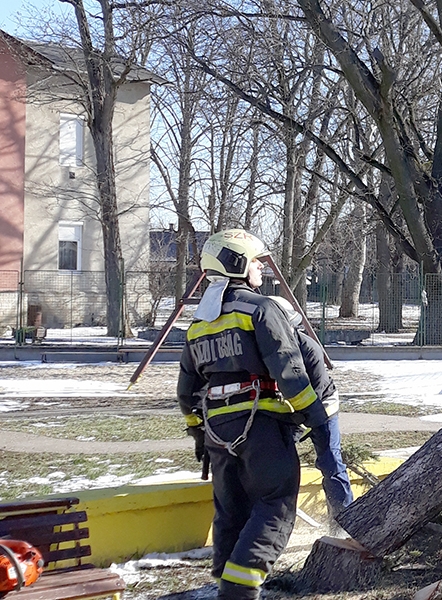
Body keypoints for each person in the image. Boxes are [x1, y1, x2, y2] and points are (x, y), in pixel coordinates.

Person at [177, 229, 327, 600]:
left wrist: (198, 432)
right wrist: (317, 416)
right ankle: (241, 588)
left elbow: (186, 390)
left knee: (231, 509)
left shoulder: (199, 323)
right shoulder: (262, 308)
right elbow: (288, 369)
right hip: (260, 426)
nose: (261, 266)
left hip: (216, 430)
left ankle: (225, 584)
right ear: (238, 263)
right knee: (276, 500)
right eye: (256, 260)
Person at [267, 296, 354, 522]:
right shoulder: (266, 350)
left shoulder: (308, 350)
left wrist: (297, 428)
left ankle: (345, 520)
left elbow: (314, 398)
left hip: (322, 408)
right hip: (290, 410)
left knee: (330, 461)